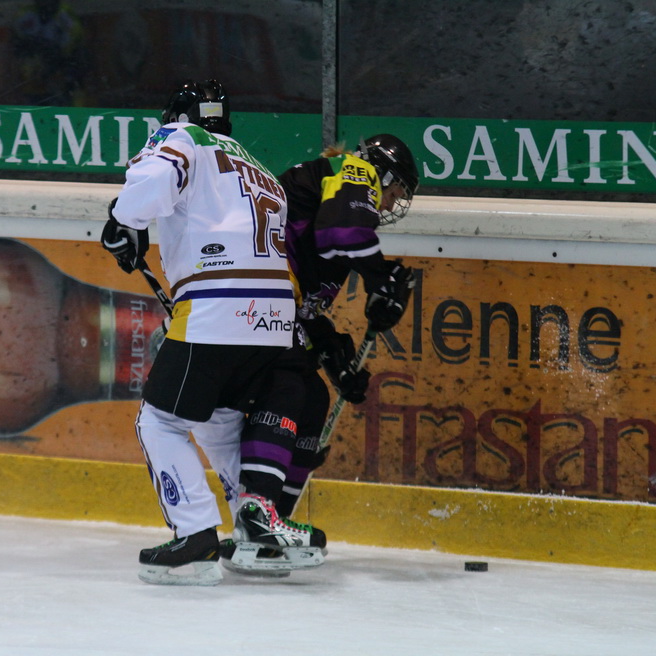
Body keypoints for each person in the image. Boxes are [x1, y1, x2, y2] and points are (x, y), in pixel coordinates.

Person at [100, 79, 300, 586]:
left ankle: (194, 536)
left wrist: (123, 220)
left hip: (219, 306)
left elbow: (150, 185)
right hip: (275, 318)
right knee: (221, 420)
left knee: (160, 423)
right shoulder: (258, 166)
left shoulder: (183, 136)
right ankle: (256, 530)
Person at [223, 134, 420, 575]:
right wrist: (383, 276)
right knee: (289, 384)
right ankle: (256, 514)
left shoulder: (331, 188)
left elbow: (307, 303)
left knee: (313, 398)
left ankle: (271, 524)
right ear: (382, 173)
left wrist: (332, 352)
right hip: (249, 295)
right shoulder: (355, 171)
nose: (390, 204)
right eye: (394, 192)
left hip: (260, 297)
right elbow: (340, 236)